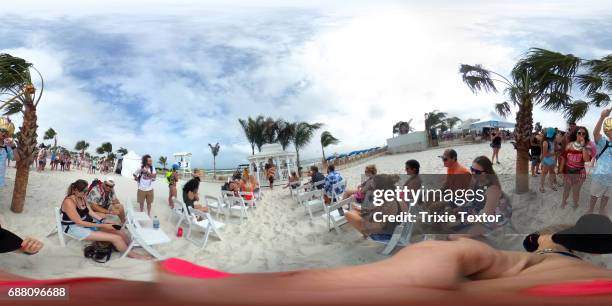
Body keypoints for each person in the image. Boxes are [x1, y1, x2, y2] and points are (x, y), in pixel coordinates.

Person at [61, 179, 150, 259]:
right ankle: (133, 255)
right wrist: (102, 225)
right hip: (74, 228)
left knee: (119, 230)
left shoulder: (82, 197)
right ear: (75, 190)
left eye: (86, 191)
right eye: (84, 192)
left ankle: (130, 246)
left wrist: (102, 221)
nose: (85, 194)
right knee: (116, 238)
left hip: (86, 223)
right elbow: (79, 222)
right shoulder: (69, 202)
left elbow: (90, 212)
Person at [345, 160, 421, 238]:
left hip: (389, 233)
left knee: (349, 214)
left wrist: (364, 224)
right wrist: (363, 211)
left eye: (373, 188)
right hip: (398, 224)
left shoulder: (387, 205)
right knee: (358, 211)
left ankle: (365, 234)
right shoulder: (394, 199)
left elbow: (377, 225)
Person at [448, 156, 512, 239]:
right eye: (472, 169)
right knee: (447, 217)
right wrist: (460, 208)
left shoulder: (492, 189)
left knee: (455, 236)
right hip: (476, 210)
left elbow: (484, 217)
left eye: (477, 172)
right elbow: (469, 198)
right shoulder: (475, 181)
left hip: (492, 217)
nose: (473, 173)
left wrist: (465, 220)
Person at [560, 126, 591, 209]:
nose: (581, 135)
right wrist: (561, 170)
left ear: (585, 135)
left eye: (583, 133)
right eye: (579, 133)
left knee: (576, 191)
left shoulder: (587, 147)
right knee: (566, 189)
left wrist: (583, 146)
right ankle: (563, 202)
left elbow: (587, 160)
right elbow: (564, 158)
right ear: (576, 134)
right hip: (568, 171)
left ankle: (575, 204)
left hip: (580, 173)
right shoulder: (569, 145)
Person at [589, 109, 612, 214]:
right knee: (594, 195)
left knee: (606, 196)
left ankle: (601, 210)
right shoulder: (604, 142)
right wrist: (602, 117)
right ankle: (591, 209)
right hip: (599, 175)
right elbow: (595, 133)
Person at [540, 128, 558, 193]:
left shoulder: (552, 141)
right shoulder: (545, 142)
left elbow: (554, 149)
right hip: (547, 161)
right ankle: (541, 186)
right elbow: (545, 154)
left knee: (551, 173)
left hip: (552, 160)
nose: (556, 135)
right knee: (544, 173)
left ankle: (551, 185)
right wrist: (554, 153)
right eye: (555, 134)